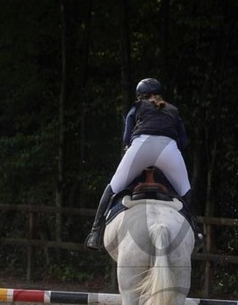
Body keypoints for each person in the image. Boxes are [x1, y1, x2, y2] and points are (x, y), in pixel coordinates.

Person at [84, 77, 204, 251]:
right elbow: (184, 142)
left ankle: (95, 234)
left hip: (141, 147)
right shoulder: (173, 110)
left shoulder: (136, 107)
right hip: (168, 150)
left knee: (112, 188)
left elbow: (126, 138)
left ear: (140, 96)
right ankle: (197, 234)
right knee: (186, 192)